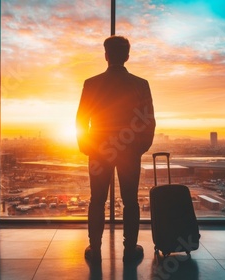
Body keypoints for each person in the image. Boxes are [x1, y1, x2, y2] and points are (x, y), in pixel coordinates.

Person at [76, 35, 156, 264]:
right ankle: (130, 248)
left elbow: (82, 118)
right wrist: (139, 147)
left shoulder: (91, 83)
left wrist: (86, 145)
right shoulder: (141, 84)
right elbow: (148, 120)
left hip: (99, 147)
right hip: (129, 148)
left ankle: (95, 247)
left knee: (97, 200)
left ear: (106, 55)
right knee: (130, 201)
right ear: (127, 56)